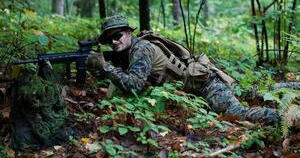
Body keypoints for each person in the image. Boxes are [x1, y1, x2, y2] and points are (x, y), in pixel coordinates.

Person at [87, 14, 281, 125]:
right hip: (198, 87)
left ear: (129, 32)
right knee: (257, 93)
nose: (113, 41)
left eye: (118, 35)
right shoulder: (130, 50)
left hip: (206, 86)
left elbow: (134, 85)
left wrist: (104, 67)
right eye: (108, 39)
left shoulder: (141, 48)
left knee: (238, 113)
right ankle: (291, 86)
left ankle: (287, 119)